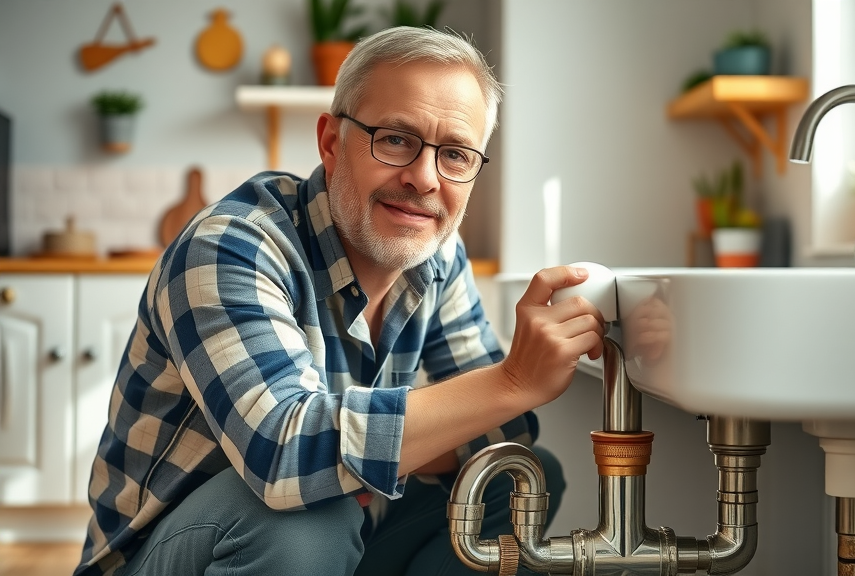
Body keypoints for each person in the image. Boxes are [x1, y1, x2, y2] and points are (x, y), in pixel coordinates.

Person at [73, 26, 605, 576]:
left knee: (516, 477)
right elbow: (283, 454)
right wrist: (512, 381)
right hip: (172, 558)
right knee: (306, 514)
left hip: (337, 541)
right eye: (396, 139)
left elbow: (503, 434)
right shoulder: (231, 244)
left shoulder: (439, 256)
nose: (424, 179)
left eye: (455, 154)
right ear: (331, 142)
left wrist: (352, 451)